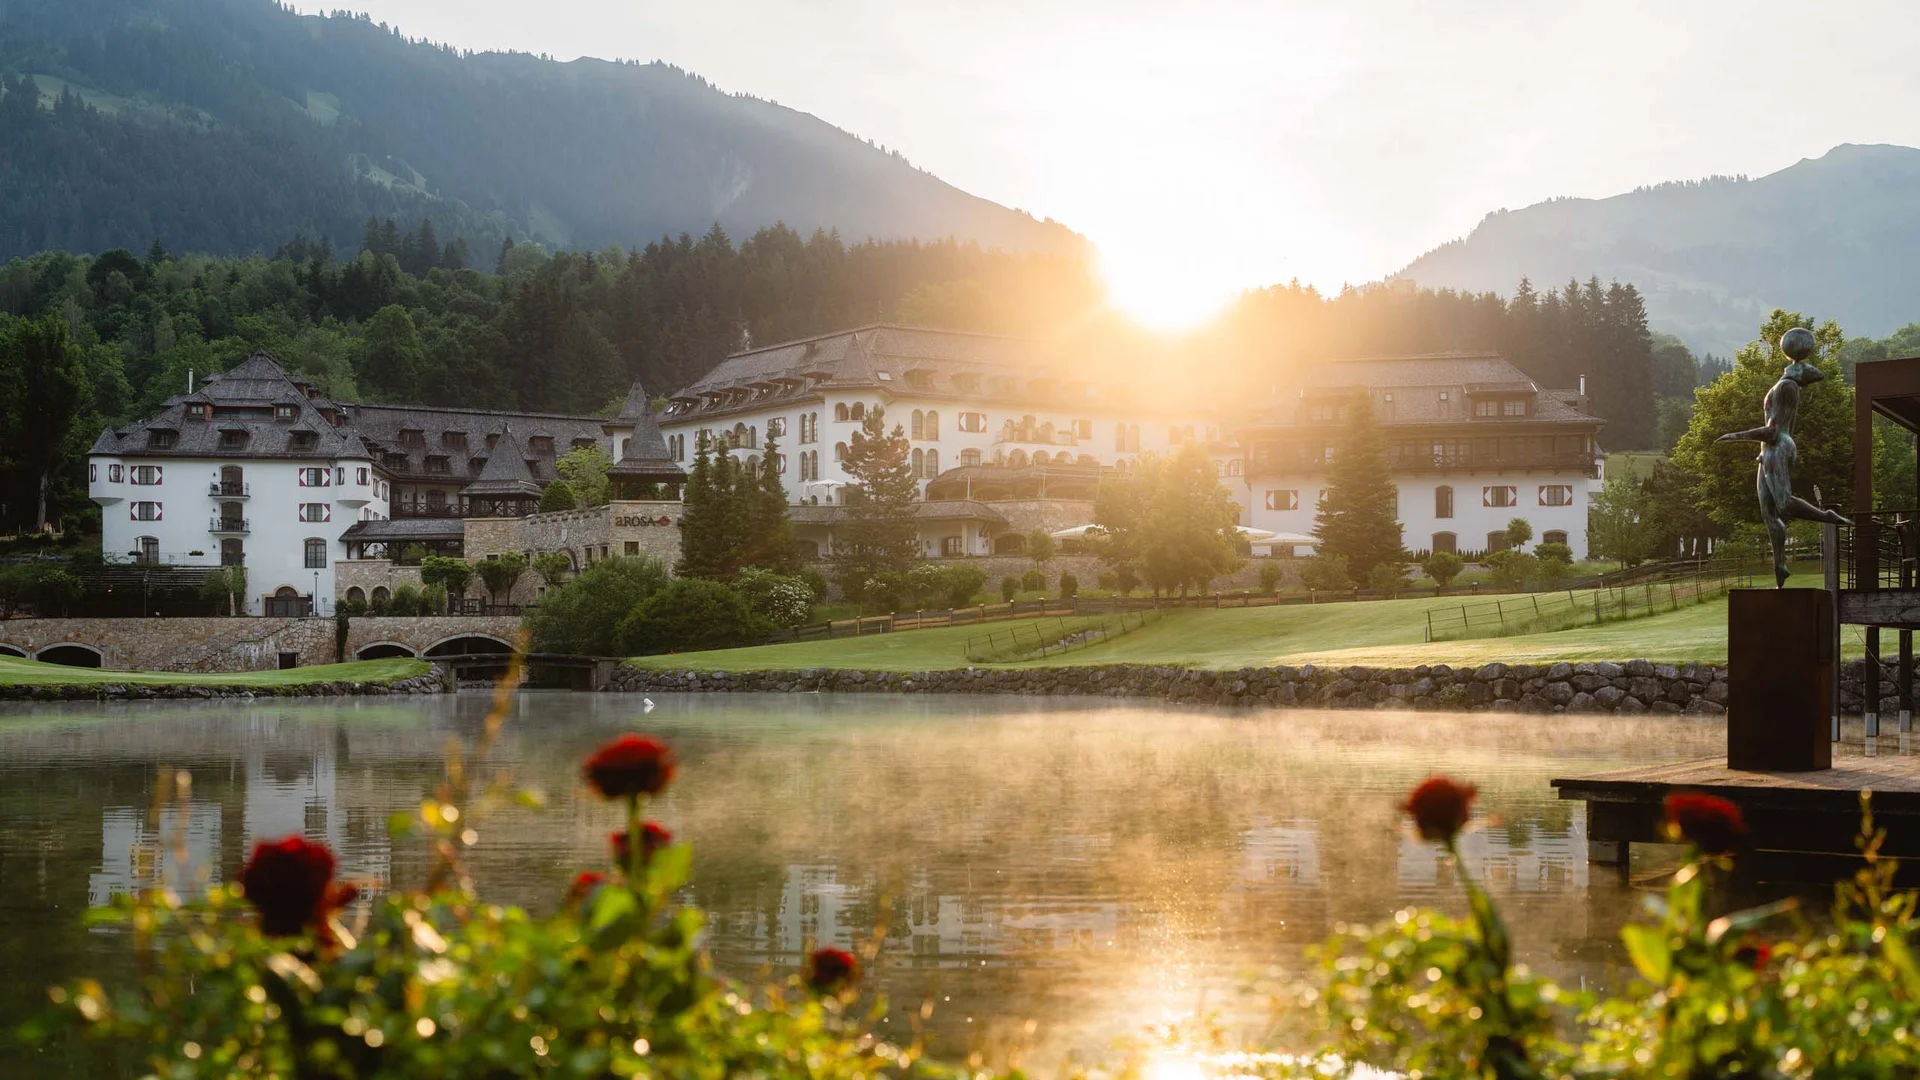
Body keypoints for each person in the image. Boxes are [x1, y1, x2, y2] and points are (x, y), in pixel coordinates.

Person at [1715, 326, 1851, 587]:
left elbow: (1772, 431)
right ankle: (1780, 566)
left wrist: (1735, 436)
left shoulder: (1787, 387)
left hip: (1777, 446)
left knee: (1784, 503)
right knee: (1769, 514)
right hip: (1767, 452)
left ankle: (1828, 516)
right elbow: (1815, 373)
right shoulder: (1787, 383)